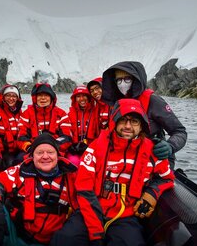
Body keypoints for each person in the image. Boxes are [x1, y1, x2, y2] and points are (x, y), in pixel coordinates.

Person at [51, 98, 175, 246]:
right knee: (64, 239)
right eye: (123, 120)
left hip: (126, 215)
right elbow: (84, 189)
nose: (128, 126)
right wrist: (96, 232)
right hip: (91, 209)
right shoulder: (95, 148)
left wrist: (152, 194)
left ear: (142, 125)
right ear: (114, 121)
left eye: (134, 121)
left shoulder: (151, 151)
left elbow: (167, 178)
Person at [0, 133, 78, 246]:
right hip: (19, 238)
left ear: (58, 156)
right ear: (32, 156)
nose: (45, 156)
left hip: (56, 241)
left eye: (50, 152)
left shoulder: (71, 176)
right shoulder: (20, 171)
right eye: (39, 152)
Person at [101, 61, 187, 169]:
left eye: (127, 79)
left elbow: (180, 131)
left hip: (154, 157)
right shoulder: (116, 103)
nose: (122, 83)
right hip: (125, 158)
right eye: (119, 80)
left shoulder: (154, 101)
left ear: (136, 79)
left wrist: (170, 146)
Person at [17, 83, 72, 157]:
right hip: (32, 151)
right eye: (40, 95)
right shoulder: (27, 114)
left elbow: (67, 137)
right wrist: (31, 148)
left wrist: (54, 147)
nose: (43, 98)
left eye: (46, 95)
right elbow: (21, 137)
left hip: (56, 150)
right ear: (35, 98)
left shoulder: (61, 114)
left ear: (51, 98)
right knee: (18, 159)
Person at [0, 84, 24, 169]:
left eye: (14, 96)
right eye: (8, 95)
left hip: (18, 150)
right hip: (3, 151)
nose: (11, 98)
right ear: (3, 97)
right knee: (9, 164)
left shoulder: (20, 113)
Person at [66, 85, 100, 166]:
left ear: (89, 97)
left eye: (84, 95)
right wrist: (71, 146)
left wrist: (91, 147)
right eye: (78, 96)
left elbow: (100, 133)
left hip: (92, 148)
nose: (81, 99)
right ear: (74, 99)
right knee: (73, 163)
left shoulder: (96, 112)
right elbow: (67, 132)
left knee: (89, 165)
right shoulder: (70, 114)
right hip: (74, 148)